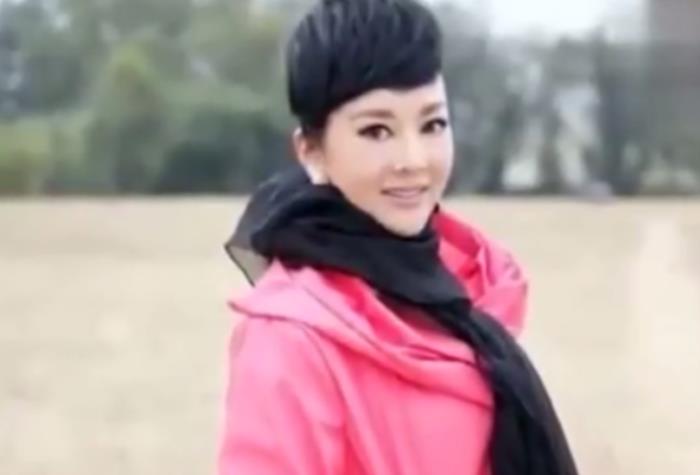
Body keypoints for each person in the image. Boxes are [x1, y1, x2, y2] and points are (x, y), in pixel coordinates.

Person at [218, 0, 579, 474]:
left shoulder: (475, 297)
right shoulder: (292, 339)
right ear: (311, 151)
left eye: (432, 125)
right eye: (376, 131)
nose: (413, 159)